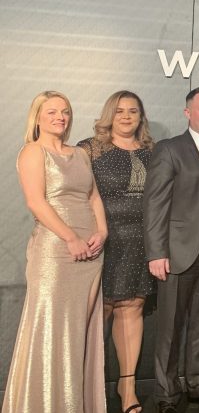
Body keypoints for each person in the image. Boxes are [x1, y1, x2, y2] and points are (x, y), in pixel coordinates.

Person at [3, 91, 108, 413]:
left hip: (91, 253)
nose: (60, 117)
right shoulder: (32, 152)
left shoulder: (80, 154)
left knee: (80, 332)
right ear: (37, 117)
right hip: (54, 252)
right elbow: (36, 202)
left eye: (65, 111)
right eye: (51, 112)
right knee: (51, 329)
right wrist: (70, 238)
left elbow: (93, 197)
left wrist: (102, 232)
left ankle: (76, 403)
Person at [143, 87, 199, 413]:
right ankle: (167, 394)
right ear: (187, 113)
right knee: (170, 328)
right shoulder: (169, 149)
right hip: (178, 251)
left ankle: (197, 384)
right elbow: (154, 205)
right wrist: (156, 252)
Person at [78, 90, 155, 413]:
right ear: (109, 114)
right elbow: (77, 194)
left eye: (133, 111)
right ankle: (86, 390)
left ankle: (128, 388)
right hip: (103, 240)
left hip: (141, 240)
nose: (126, 116)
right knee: (101, 311)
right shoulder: (89, 149)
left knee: (132, 307)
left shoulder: (152, 152)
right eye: (120, 110)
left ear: (141, 117)